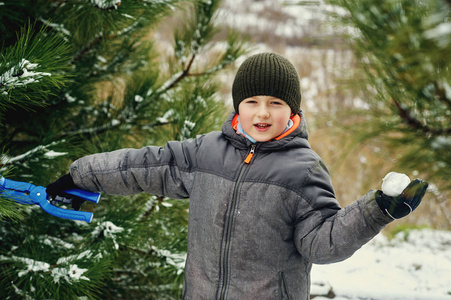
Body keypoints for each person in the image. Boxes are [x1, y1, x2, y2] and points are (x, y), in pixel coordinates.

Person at [47, 52, 428, 300]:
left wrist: (376, 210)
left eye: (275, 103)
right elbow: (145, 166)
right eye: (252, 102)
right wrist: (82, 175)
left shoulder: (303, 169)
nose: (262, 113)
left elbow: (321, 243)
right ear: (238, 107)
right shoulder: (207, 151)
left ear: (291, 110)